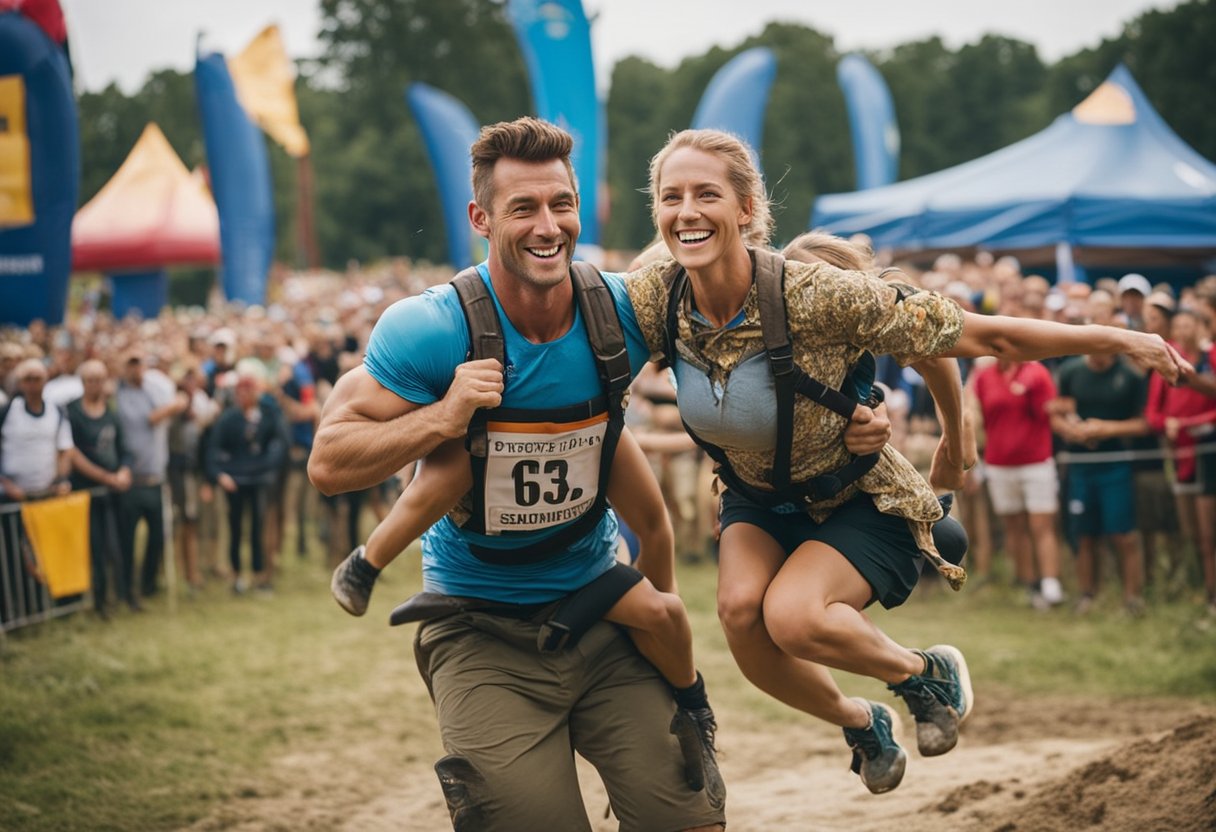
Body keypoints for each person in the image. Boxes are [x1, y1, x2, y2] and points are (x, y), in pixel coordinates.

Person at [622, 128, 1190, 795]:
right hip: (757, 497)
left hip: (860, 494)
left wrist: (1117, 337)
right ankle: (860, 719)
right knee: (741, 614)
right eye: (672, 196)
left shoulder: (815, 295)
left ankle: (924, 673)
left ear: (747, 209)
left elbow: (975, 335)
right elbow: (564, 315)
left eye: (706, 194)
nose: (687, 210)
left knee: (794, 618)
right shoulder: (655, 297)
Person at [310, 117, 725, 831]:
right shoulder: (431, 328)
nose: (547, 226)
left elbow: (744, 300)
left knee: (688, 821)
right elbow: (328, 461)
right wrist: (438, 421)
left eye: (560, 205)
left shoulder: (622, 311)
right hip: (478, 629)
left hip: (600, 613)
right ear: (480, 218)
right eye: (523, 208)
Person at [332, 429, 704, 699]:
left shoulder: (597, 415)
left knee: (664, 611)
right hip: (474, 568)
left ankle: (694, 703)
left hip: (586, 564)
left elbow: (652, 536)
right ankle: (368, 565)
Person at [1049, 353, 1149, 614]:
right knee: (1083, 534)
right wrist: (1071, 430)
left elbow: (1145, 423)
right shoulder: (1071, 371)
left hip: (1116, 464)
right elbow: (1056, 411)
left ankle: (1132, 598)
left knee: (1124, 534)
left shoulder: (1130, 376)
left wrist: (1107, 429)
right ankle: (1087, 595)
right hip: (1080, 465)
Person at [971, 357, 1066, 608]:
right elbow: (980, 417)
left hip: (1035, 460)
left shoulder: (1037, 373)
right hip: (999, 462)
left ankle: (1050, 582)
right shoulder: (984, 376)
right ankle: (1029, 583)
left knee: (1041, 524)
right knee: (1014, 527)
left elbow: (1048, 411)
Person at [205, 363, 288, 595]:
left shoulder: (268, 416)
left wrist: (268, 469)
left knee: (258, 529)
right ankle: (237, 575)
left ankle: (260, 575)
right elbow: (213, 450)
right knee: (235, 528)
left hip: (259, 479)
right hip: (235, 481)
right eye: (240, 392)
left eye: (248, 391)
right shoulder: (228, 419)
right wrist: (220, 475)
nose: (243, 396)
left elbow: (279, 444)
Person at [67, 359, 133, 618]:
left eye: (101, 379)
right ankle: (100, 601)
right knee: (94, 547)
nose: (97, 384)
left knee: (118, 544)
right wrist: (106, 476)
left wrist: (124, 471)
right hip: (87, 492)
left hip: (114, 491)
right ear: (83, 382)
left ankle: (123, 593)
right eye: (91, 379)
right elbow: (73, 453)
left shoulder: (111, 412)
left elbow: (123, 448)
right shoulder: (72, 412)